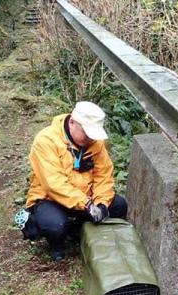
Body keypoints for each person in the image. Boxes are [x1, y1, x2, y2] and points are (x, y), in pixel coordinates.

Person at [18, 101, 127, 262]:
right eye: (86, 133)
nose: (91, 138)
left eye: (93, 134)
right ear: (72, 122)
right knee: (55, 226)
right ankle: (53, 240)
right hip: (50, 199)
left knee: (119, 205)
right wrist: (87, 205)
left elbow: (104, 176)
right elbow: (54, 184)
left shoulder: (96, 143)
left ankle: (76, 231)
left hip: (85, 198)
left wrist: (101, 204)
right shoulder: (46, 140)